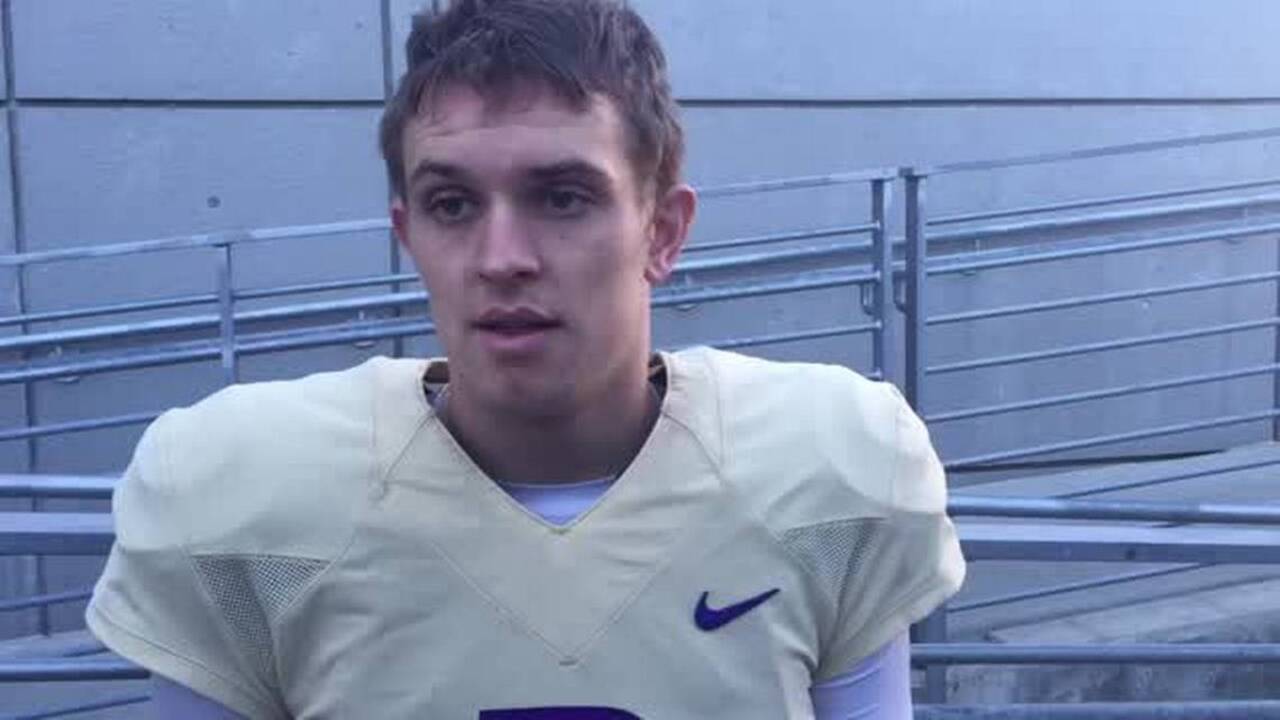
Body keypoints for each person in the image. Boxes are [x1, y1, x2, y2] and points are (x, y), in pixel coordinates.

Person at [86, 0, 966, 717]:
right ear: (409, 235)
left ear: (661, 231)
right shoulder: (246, 494)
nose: (503, 254)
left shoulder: (828, 468)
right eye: (453, 204)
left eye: (562, 197)